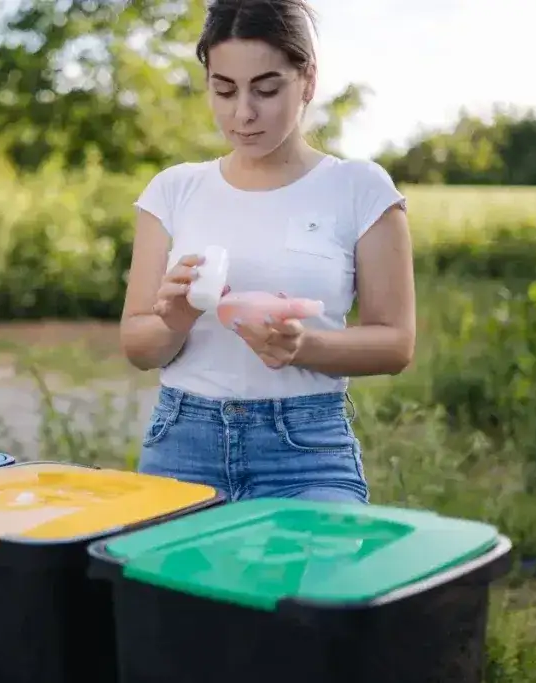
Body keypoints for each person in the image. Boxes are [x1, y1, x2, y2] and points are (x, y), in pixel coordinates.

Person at [119, 0, 416, 504]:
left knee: (312, 586)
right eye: (224, 89)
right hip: (181, 444)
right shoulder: (173, 190)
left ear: (308, 81)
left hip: (306, 451)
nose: (244, 113)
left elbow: (395, 344)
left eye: (267, 88)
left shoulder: (358, 187)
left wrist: (304, 348)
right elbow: (138, 346)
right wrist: (176, 318)